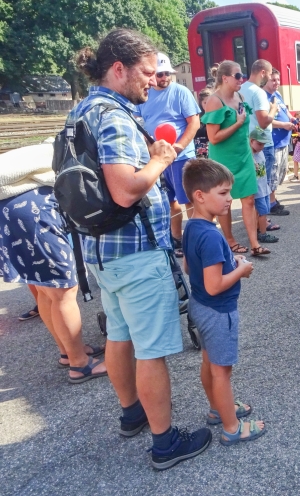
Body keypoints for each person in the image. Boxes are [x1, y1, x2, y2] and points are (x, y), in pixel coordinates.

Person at [72, 28, 211, 468]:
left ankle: (132, 414)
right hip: (135, 252)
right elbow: (125, 190)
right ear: (119, 69)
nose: (153, 81)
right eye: (146, 73)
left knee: (119, 334)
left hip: (104, 250)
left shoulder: (84, 109)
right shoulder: (112, 116)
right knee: (151, 349)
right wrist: (160, 159)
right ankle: (165, 442)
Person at [0, 143, 107, 383]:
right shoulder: (86, 151)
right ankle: (80, 364)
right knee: (63, 291)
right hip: (33, 212)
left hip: (9, 211)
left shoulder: (55, 147)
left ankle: (67, 352)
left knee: (45, 290)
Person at [181, 158, 266, 445]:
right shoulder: (213, 237)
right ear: (200, 196)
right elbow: (215, 285)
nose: (230, 199)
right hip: (218, 311)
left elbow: (189, 269)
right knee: (222, 371)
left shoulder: (192, 227)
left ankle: (218, 409)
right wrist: (241, 270)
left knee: (209, 361)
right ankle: (232, 427)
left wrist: (230, 263)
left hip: (200, 307)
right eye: (223, 193)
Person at [202, 61, 270, 256]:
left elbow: (246, 126)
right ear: (225, 78)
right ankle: (230, 240)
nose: (242, 79)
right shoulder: (215, 101)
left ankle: (255, 244)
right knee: (226, 201)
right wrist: (238, 123)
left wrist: (250, 140)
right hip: (224, 159)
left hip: (244, 155)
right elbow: (213, 138)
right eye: (238, 76)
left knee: (248, 199)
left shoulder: (240, 96)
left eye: (242, 75)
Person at [136, 52, 200, 258]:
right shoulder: (144, 95)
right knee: (168, 201)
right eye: (160, 74)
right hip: (156, 159)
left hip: (180, 158)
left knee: (188, 200)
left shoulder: (181, 92)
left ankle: (196, 239)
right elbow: (140, 123)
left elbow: (194, 123)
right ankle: (177, 239)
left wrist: (179, 147)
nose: (164, 78)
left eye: (167, 74)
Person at [240, 60, 288, 216]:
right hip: (262, 144)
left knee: (255, 184)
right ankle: (264, 221)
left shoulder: (241, 89)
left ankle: (257, 219)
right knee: (264, 184)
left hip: (247, 142)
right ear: (262, 73)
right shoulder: (258, 92)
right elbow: (263, 120)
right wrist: (273, 109)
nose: (268, 78)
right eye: (268, 74)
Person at [263, 68, 294, 209]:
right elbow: (265, 120)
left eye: (278, 79)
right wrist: (284, 124)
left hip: (284, 141)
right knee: (273, 174)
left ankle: (272, 200)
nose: (276, 83)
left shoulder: (277, 94)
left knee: (281, 172)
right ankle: (271, 202)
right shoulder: (263, 97)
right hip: (273, 142)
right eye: (273, 80)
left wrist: (292, 118)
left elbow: (285, 111)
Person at [250, 128, 279, 244]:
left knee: (263, 210)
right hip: (257, 190)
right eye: (259, 144)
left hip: (264, 187)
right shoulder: (250, 155)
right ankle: (263, 234)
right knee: (262, 212)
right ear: (251, 141)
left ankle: (259, 229)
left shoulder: (260, 152)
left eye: (263, 144)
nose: (262, 146)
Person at [194, 88, 212, 158]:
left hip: (212, 152)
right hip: (199, 154)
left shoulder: (218, 117)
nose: (207, 105)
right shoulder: (196, 117)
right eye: (205, 102)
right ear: (201, 103)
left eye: (210, 102)